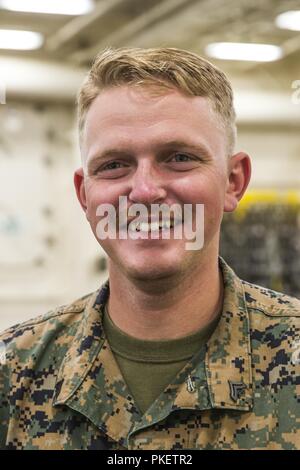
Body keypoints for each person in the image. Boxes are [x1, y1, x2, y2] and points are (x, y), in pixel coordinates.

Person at [0, 47, 299, 450]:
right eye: (113, 165)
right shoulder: (11, 373)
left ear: (233, 181)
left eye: (178, 158)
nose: (143, 191)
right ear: (84, 194)